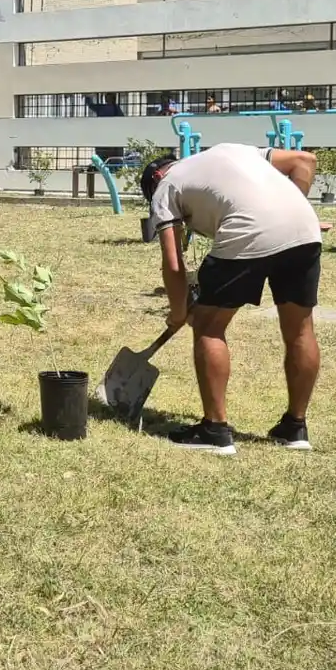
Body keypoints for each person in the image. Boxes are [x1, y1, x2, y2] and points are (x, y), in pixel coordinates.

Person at [138, 143, 321, 457]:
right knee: (300, 330)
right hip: (304, 228)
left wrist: (178, 312)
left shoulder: (164, 187)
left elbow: (173, 264)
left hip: (247, 229)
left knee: (209, 326)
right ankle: (295, 428)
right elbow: (305, 161)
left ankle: (214, 430)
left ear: (155, 179)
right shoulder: (230, 150)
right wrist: (280, 214)